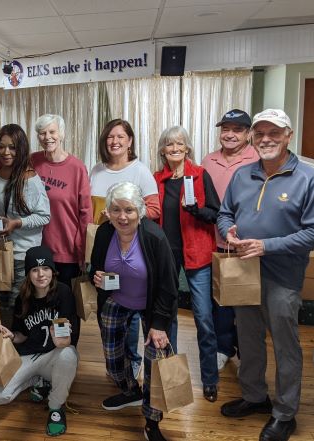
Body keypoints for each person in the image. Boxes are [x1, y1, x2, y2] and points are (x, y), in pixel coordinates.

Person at [218, 109, 314, 441]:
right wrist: (227, 231)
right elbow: (225, 212)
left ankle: (285, 414)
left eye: (273, 132)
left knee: (285, 346)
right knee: (248, 338)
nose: (266, 139)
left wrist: (266, 246)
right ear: (251, 138)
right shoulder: (243, 175)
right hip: (243, 272)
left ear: (288, 135)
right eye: (259, 133)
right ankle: (255, 396)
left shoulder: (308, 177)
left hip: (283, 277)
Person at [89, 181, 177, 441]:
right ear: (108, 212)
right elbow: (93, 267)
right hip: (116, 299)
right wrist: (96, 276)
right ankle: (130, 390)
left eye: (128, 210)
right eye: (115, 210)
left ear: (139, 211)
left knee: (155, 363)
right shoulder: (104, 233)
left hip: (152, 306)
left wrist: (159, 324)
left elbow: (168, 286)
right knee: (114, 360)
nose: (122, 217)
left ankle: (152, 421)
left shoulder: (154, 237)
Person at [89, 119, 161, 377]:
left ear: (130, 141)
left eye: (120, 136)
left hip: (133, 247)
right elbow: (90, 211)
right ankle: (118, 365)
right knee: (109, 303)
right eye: (110, 136)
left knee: (129, 304)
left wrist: (120, 216)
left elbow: (154, 209)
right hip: (103, 245)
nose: (114, 141)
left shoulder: (140, 171)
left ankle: (132, 361)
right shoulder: (96, 170)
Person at [153, 125, 220, 402]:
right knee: (169, 320)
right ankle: (174, 379)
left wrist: (197, 210)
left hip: (198, 254)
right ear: (162, 150)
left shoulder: (200, 175)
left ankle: (210, 380)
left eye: (180, 144)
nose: (175, 149)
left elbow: (215, 213)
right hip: (166, 256)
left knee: (203, 318)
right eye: (169, 145)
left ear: (188, 148)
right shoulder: (157, 179)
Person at [0, 245, 79, 437]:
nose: (41, 274)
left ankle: (55, 406)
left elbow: (67, 342)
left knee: (68, 356)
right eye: (35, 270)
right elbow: (22, 335)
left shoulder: (64, 292)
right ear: (28, 273)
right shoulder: (23, 297)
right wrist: (12, 336)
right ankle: (36, 380)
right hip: (31, 356)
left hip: (55, 355)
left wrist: (58, 340)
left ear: (53, 270)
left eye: (45, 268)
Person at [202, 109, 258, 371]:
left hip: (247, 243)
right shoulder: (209, 160)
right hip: (214, 241)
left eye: (237, 130)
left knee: (246, 301)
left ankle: (247, 348)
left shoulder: (257, 158)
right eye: (226, 129)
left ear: (248, 134)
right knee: (220, 299)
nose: (230, 134)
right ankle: (224, 347)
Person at [0, 123, 50, 329]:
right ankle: (9, 352)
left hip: (22, 254)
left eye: (12, 147)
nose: (6, 152)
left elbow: (44, 216)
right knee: (4, 304)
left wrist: (17, 223)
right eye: (1, 147)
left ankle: (21, 350)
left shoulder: (29, 179)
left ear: (21, 148)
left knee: (19, 304)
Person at [32, 114, 92, 289]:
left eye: (52, 132)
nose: (48, 137)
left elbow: (86, 213)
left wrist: (82, 250)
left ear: (62, 134)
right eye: (42, 133)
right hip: (38, 247)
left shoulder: (77, 167)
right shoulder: (32, 161)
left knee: (67, 307)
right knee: (42, 306)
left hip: (67, 250)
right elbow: (9, 162)